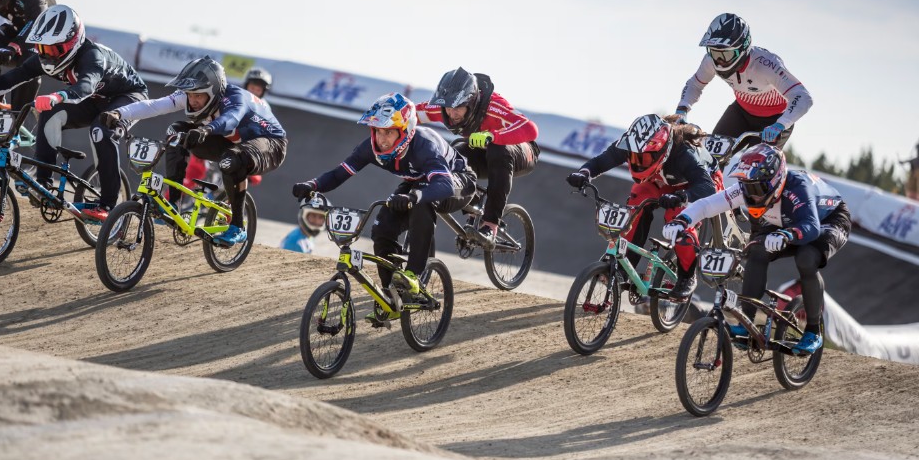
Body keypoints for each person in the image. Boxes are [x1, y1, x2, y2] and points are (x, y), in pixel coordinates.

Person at [292, 93, 476, 325]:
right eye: (378, 131)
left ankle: (415, 276)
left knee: (422, 203)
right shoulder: (370, 148)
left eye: (389, 132)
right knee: (381, 229)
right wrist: (313, 185)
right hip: (416, 181)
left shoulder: (423, 145)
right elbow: (339, 173)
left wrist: (415, 196)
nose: (382, 139)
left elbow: (445, 184)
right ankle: (390, 296)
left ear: (405, 131)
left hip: (457, 180)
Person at [0, 4, 147, 221]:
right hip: (95, 100)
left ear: (73, 42)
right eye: (42, 49)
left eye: (53, 50)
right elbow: (10, 79)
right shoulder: (43, 58)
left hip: (129, 97)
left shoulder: (92, 56)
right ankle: (43, 183)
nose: (47, 56)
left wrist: (57, 96)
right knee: (49, 113)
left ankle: (109, 205)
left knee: (101, 129)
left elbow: (85, 87)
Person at [662, 144, 851, 354]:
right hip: (783, 220)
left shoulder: (798, 188)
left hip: (826, 220)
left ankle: (813, 331)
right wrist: (682, 220)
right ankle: (747, 323)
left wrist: (787, 235)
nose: (753, 196)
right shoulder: (748, 189)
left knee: (806, 259)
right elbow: (707, 205)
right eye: (747, 187)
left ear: (776, 180)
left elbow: (812, 227)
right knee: (756, 252)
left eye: (758, 189)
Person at [102, 56, 287, 246]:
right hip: (229, 139)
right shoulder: (192, 95)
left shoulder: (235, 98)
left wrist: (205, 130)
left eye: (198, 95)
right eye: (190, 95)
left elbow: (231, 119)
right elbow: (155, 105)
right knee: (176, 132)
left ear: (214, 91)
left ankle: (238, 227)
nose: (193, 100)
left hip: (270, 143)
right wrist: (120, 113)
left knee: (232, 159)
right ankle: (173, 202)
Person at [566, 113, 724, 300]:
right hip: (661, 179)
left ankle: (687, 276)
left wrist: (683, 196)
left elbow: (708, 188)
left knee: (677, 221)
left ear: (661, 150)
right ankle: (624, 267)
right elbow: (601, 161)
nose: (638, 162)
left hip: (698, 183)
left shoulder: (684, 153)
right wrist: (584, 173)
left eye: (645, 158)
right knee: (636, 204)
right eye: (634, 157)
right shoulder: (631, 143)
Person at [418, 67, 539, 247]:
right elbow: (410, 114)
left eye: (458, 108)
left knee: (498, 150)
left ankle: (490, 225)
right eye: (448, 108)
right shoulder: (444, 108)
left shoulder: (494, 106)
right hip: (484, 151)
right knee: (455, 153)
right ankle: (473, 207)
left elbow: (530, 130)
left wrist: (493, 136)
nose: (452, 114)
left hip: (522, 150)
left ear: (471, 102)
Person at [674, 13, 813, 148]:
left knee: (754, 165)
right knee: (710, 158)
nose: (720, 62)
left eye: (726, 54)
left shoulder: (766, 64)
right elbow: (695, 84)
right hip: (741, 112)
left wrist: (781, 123)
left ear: (742, 49)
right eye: (714, 53)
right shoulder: (710, 61)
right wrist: (682, 110)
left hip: (775, 120)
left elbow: (803, 96)